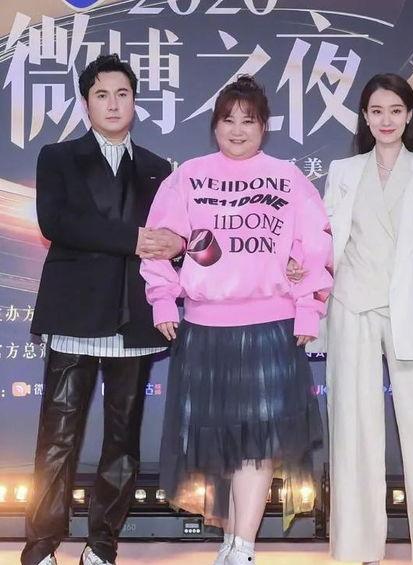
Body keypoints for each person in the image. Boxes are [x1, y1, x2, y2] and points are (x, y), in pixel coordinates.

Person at [140, 75, 333, 565]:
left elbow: (315, 247)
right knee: (219, 440)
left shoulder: (287, 178)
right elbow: (158, 241)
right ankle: (229, 539)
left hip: (270, 328)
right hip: (204, 329)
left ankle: (243, 545)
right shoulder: (189, 177)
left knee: (257, 442)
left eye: (249, 120)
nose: (237, 129)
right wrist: (162, 300)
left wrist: (307, 307)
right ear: (214, 126)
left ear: (264, 126)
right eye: (228, 120)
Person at [22, 54, 184, 565]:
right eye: (102, 95)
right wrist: (134, 239)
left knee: (123, 439)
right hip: (75, 314)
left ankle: (102, 545)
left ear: (135, 101)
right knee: (58, 436)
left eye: (122, 94)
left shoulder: (159, 169)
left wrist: (177, 244)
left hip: (132, 318)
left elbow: (172, 237)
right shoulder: (59, 157)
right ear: (86, 103)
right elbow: (57, 223)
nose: (113, 104)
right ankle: (41, 545)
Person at [319, 73, 413, 565]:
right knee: (353, 427)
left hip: (410, 308)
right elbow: (325, 240)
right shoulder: (343, 171)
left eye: (395, 110)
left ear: (409, 115)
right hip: (351, 303)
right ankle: (356, 547)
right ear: (365, 118)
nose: (386, 120)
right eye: (376, 111)